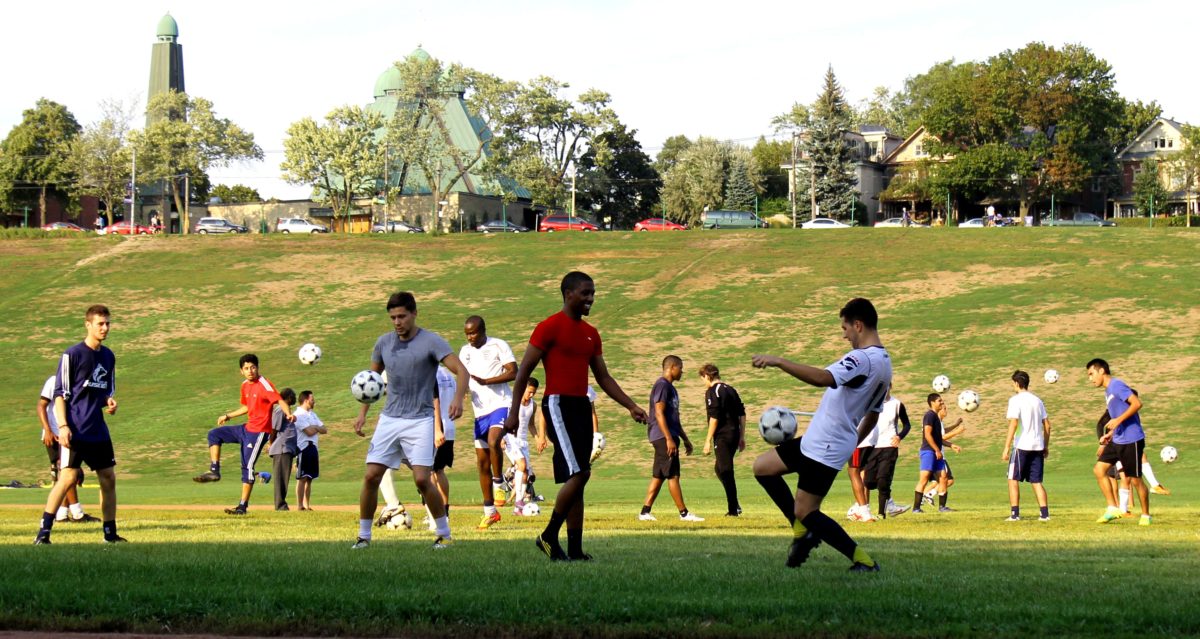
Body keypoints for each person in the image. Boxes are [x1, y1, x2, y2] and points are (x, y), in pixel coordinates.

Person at [504, 271, 648, 561]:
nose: (590, 298)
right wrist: (513, 413)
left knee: (577, 477)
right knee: (581, 473)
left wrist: (630, 405)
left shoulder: (591, 333)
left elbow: (604, 377)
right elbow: (524, 373)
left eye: (592, 293)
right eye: (585, 293)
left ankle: (575, 550)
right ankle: (547, 535)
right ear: (568, 294)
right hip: (557, 405)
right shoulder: (548, 327)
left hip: (581, 405)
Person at [751, 298, 891, 571]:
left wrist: (778, 361)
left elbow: (822, 378)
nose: (844, 334)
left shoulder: (862, 358)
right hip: (822, 439)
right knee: (763, 468)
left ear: (858, 325)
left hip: (826, 444)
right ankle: (800, 531)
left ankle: (863, 560)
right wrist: (854, 440)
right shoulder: (885, 362)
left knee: (807, 511)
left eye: (846, 328)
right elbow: (873, 412)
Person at [351, 292, 469, 550]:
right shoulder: (383, 343)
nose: (397, 322)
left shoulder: (431, 341)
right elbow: (370, 383)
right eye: (393, 317)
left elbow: (462, 370)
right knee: (371, 476)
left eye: (402, 316)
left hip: (421, 420)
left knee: (422, 480)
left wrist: (458, 399)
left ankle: (444, 533)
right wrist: (362, 415)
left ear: (414, 313)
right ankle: (363, 537)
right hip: (389, 419)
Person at [34, 305, 123, 545]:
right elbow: (60, 394)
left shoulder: (108, 356)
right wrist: (62, 426)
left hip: (98, 428)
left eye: (107, 323)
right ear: (88, 325)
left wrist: (109, 401)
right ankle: (43, 533)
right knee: (67, 478)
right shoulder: (71, 355)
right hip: (76, 428)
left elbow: (104, 390)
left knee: (108, 477)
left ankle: (110, 534)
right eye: (100, 324)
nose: (105, 328)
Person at [194, 354, 295, 515]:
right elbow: (247, 407)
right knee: (214, 434)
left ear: (258, 368)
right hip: (246, 429)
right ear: (241, 371)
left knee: (247, 467)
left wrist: (288, 414)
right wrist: (228, 416)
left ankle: (242, 506)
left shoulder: (264, 384)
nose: (250, 371)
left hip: (259, 432)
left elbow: (280, 400)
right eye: (246, 368)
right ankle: (214, 471)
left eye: (253, 367)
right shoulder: (245, 386)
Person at [460, 315, 518, 527]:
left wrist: (487, 381)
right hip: (480, 411)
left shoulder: (498, 345)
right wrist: (462, 392)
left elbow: (514, 372)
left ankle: (499, 482)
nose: (470, 338)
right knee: (482, 463)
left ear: (483, 330)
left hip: (501, 404)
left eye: (473, 333)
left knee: (494, 441)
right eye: (467, 334)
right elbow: (463, 376)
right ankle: (490, 511)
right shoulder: (465, 351)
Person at [639, 355, 703, 523]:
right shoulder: (662, 386)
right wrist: (668, 438)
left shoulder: (671, 389)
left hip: (667, 435)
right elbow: (659, 413)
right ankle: (684, 513)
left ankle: (645, 512)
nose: (682, 371)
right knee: (673, 475)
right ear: (672, 367)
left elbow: (674, 419)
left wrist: (686, 439)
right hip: (662, 436)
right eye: (680, 367)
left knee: (658, 475)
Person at [1088, 359, 1151, 525]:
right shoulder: (1108, 391)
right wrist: (1110, 434)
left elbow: (1137, 403)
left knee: (1135, 480)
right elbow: (1117, 416)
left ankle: (1146, 515)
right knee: (1099, 469)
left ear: (1101, 371)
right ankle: (1112, 508)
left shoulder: (1116, 385)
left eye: (1091, 373)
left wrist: (1117, 421)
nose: (1090, 378)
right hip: (1117, 438)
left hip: (1132, 438)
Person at [37, 374, 100, 524]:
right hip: (55, 434)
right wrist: (47, 430)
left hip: (73, 434)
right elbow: (41, 405)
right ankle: (76, 513)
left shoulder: (80, 382)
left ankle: (62, 514)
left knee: (69, 473)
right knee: (67, 473)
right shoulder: (54, 380)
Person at [1001, 370, 1051, 521]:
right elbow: (1047, 425)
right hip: (1037, 446)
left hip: (1021, 446)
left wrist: (1006, 447)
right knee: (1036, 481)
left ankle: (1015, 514)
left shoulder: (1015, 400)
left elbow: (1014, 423)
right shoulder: (1037, 400)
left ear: (1016, 383)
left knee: (1012, 478)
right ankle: (1044, 515)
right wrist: (1045, 445)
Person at [699, 363, 746, 517]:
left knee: (725, 470)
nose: (703, 383)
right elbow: (742, 414)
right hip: (734, 434)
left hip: (723, 436)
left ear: (707, 376)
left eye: (703, 379)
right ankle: (735, 504)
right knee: (719, 468)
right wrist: (742, 436)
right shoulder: (731, 389)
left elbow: (714, 417)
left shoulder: (713, 391)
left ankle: (733, 509)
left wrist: (707, 440)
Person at [860, 386, 911, 519]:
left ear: (890, 387)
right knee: (869, 482)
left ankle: (881, 513)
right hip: (872, 446)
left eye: (886, 387)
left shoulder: (897, 404)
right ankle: (891, 504)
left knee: (883, 480)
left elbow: (907, 425)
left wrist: (899, 436)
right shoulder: (870, 403)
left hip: (889, 447)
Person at [912, 394, 954, 514]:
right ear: (932, 402)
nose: (942, 402)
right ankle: (916, 508)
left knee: (943, 477)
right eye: (939, 401)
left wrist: (951, 445)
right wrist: (936, 450)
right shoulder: (929, 415)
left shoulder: (936, 417)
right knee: (924, 479)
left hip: (936, 451)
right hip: (928, 451)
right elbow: (927, 434)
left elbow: (938, 437)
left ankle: (942, 507)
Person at [506, 377, 543, 515]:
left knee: (525, 474)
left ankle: (517, 508)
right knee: (521, 465)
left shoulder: (533, 405)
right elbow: (503, 420)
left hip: (523, 441)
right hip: (510, 438)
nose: (531, 395)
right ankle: (519, 502)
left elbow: (531, 424)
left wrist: (538, 438)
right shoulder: (511, 402)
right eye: (529, 391)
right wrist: (501, 438)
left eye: (534, 392)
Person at [267, 388, 299, 511]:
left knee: (284, 478)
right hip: (281, 448)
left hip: (288, 449)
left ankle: (282, 504)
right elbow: (274, 429)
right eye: (293, 395)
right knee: (280, 478)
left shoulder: (287, 411)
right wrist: (270, 443)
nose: (295, 397)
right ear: (288, 397)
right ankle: (280, 505)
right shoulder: (280, 410)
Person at [294, 390, 325, 511]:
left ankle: (307, 505)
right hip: (303, 448)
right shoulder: (298, 415)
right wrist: (316, 427)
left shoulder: (313, 414)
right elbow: (309, 432)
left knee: (310, 478)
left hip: (314, 447)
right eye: (312, 399)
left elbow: (324, 429)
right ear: (306, 400)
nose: (314, 401)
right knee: (302, 477)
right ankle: (299, 505)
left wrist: (315, 427)